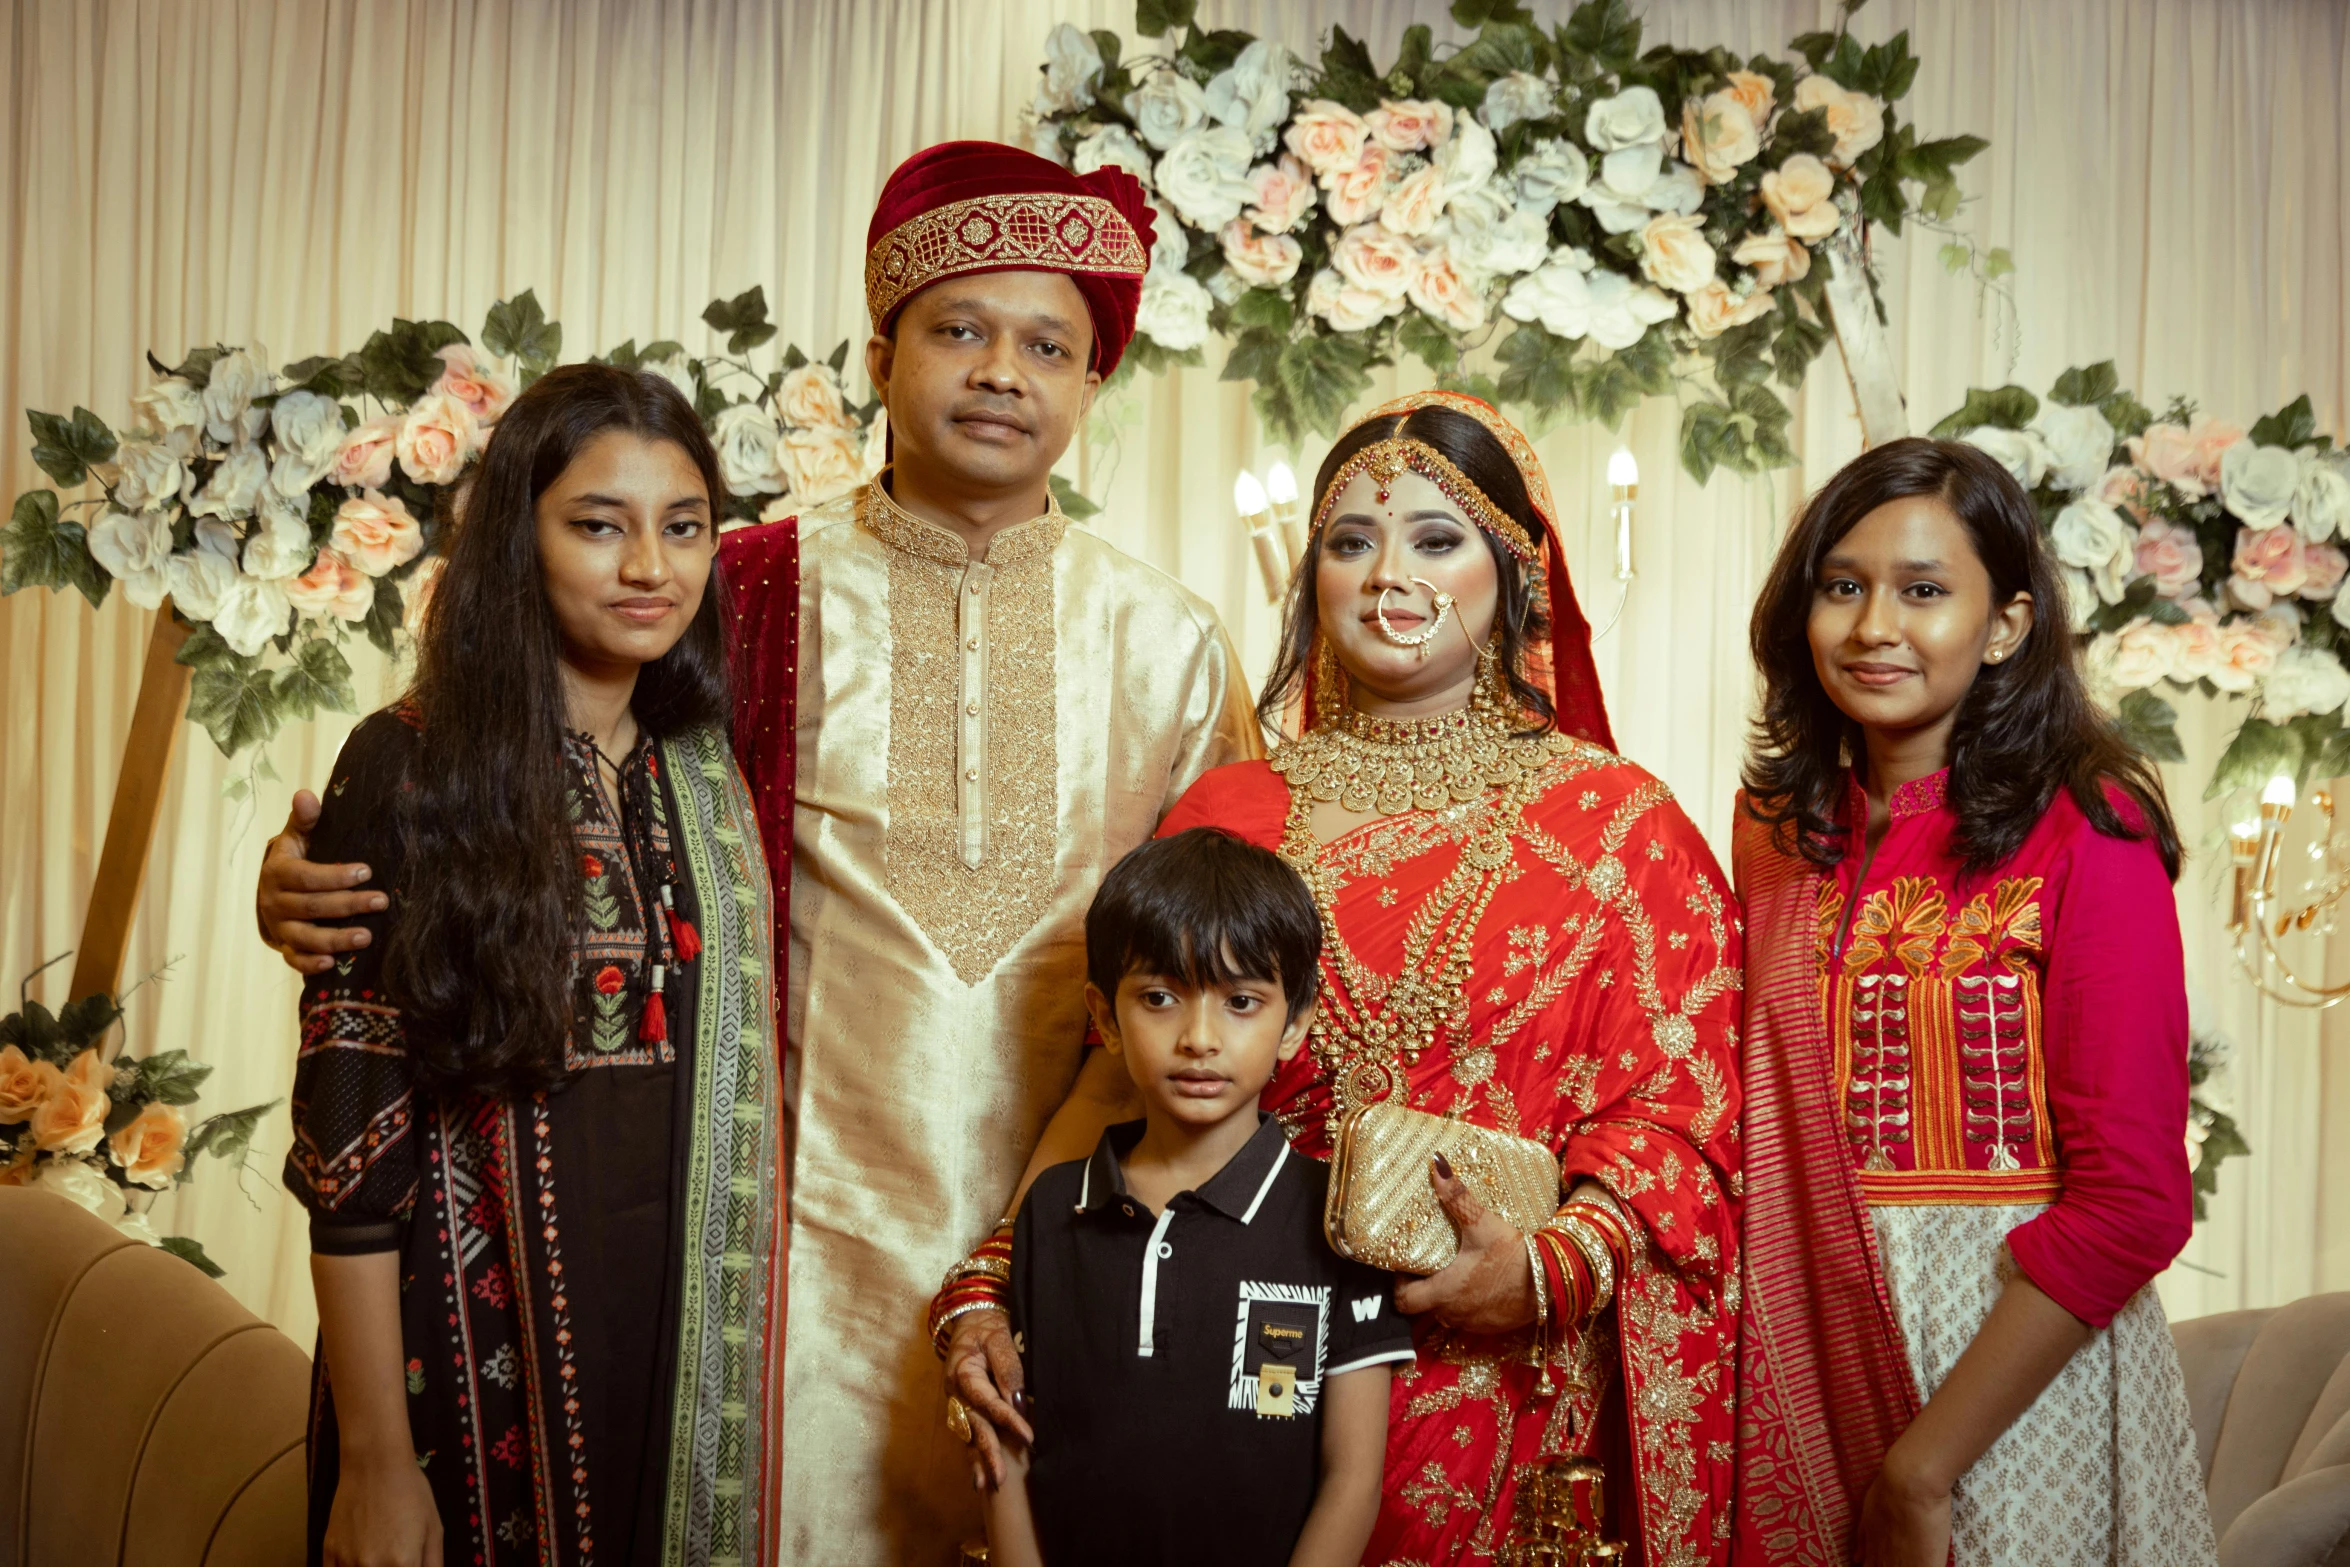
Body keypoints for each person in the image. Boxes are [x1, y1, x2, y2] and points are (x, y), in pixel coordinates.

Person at [258, 141, 1259, 1565]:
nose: (1000, 371)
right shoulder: (735, 586)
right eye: (958, 328)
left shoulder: (1173, 644)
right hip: (751, 1269)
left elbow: (1234, 954)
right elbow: (507, 793)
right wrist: (313, 885)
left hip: (1063, 1252)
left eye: (1049, 343)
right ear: (879, 349)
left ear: (1093, 383)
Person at [945, 390, 1743, 1565]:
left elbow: (1689, 1118)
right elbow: (1119, 1088)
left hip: (1506, 1390)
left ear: (1513, 571)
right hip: (1244, 1367)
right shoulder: (1232, 809)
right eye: (1350, 542)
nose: (1386, 578)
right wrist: (987, 1283)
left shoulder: (1620, 825)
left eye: (1435, 539)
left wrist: (1544, 1267)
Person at [284, 364, 782, 1567]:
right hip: (459, 1365)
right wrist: (374, 1460)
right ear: (519, 538)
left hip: (673, 1348)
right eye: (598, 526)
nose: (648, 568)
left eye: (683, 527)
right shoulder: (410, 766)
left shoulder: (709, 776)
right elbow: (352, 1156)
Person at [1730, 437, 2218, 1567]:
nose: (1872, 628)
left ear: (2003, 623)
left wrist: (1923, 1467)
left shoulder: (2088, 827)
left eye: (1923, 591)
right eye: (1841, 586)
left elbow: (2134, 1200)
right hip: (1800, 1358)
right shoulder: (1776, 835)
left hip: (2009, 1383)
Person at [977, 828, 1411, 1567]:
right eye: (1159, 997)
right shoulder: (1053, 1210)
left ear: (1295, 1021)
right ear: (1106, 1017)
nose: (1200, 1037)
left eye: (1241, 1000)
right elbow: (1005, 1450)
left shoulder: (1339, 1221)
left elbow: (1352, 1480)